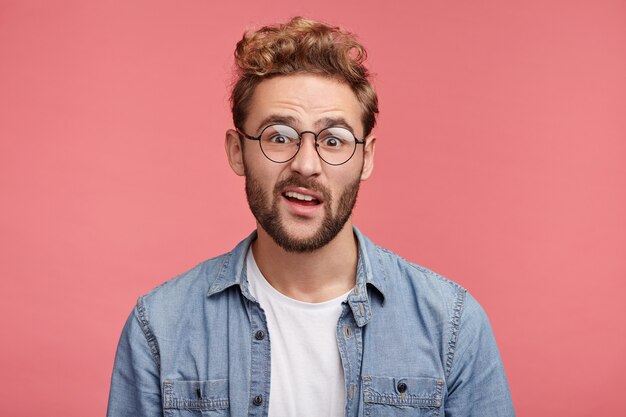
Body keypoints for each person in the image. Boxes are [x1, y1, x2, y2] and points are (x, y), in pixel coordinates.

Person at [107, 16, 515, 417]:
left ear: (365, 158)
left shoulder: (452, 325)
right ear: (237, 151)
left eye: (333, 140)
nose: (306, 164)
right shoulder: (159, 326)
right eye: (279, 136)